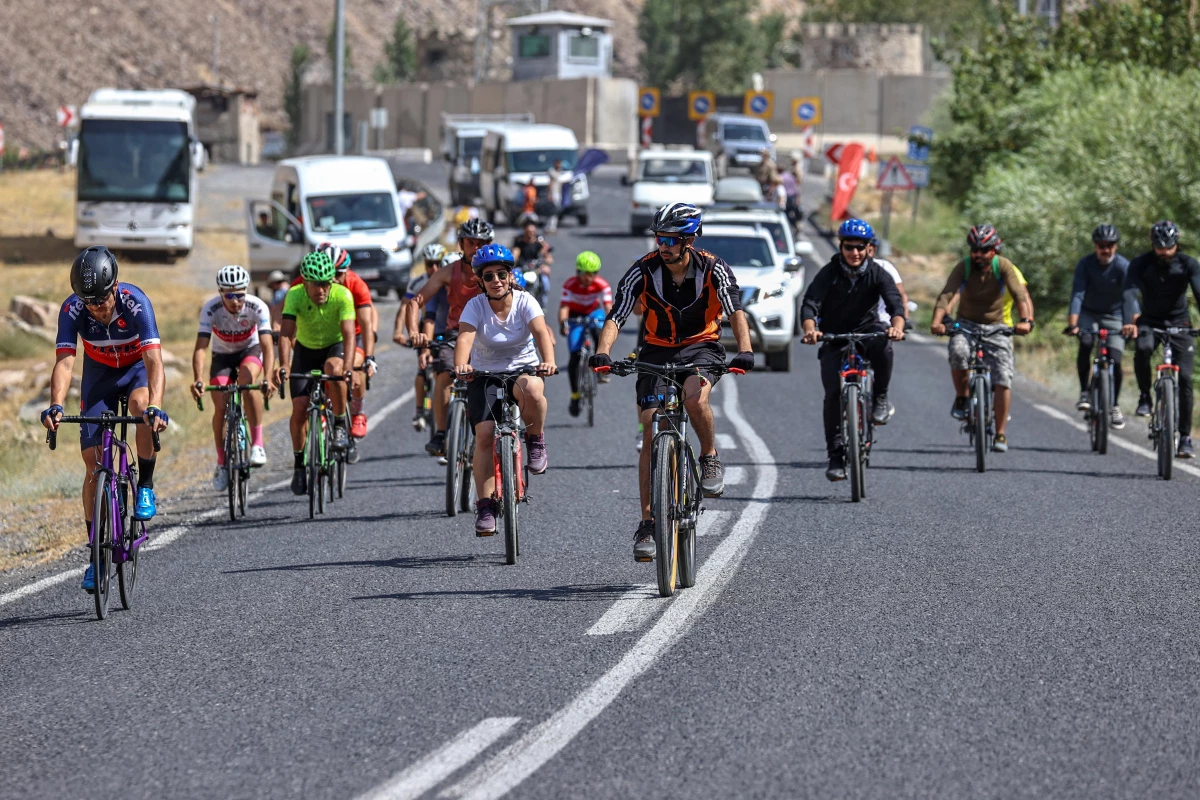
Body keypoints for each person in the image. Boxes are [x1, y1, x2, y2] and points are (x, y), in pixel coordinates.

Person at [589, 203, 753, 562]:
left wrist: (745, 349)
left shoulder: (713, 268)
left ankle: (709, 456)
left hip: (701, 347)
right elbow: (617, 313)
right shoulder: (643, 271)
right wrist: (603, 352)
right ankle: (648, 521)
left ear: (689, 240)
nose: (663, 246)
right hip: (656, 350)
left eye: (671, 240)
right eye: (659, 238)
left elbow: (735, 308)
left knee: (694, 400)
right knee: (650, 425)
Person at [42, 247, 169, 593]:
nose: (96, 308)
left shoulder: (137, 303)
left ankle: (144, 485)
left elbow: (155, 362)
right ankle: (96, 555)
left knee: (142, 408)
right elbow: (66, 362)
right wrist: (55, 404)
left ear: (115, 286)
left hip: (136, 371)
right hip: (99, 375)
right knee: (93, 463)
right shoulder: (72, 309)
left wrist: (156, 407)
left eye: (101, 299)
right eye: (89, 301)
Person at [454, 244, 558, 534]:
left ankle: (535, 440)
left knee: (533, 389)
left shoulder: (526, 301)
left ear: (511, 276)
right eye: (489, 276)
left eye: (502, 274)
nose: (496, 280)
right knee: (485, 435)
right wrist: (462, 364)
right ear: (480, 281)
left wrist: (548, 361)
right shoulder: (475, 306)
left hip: (521, 369)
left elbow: (540, 332)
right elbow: (465, 339)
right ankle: (486, 506)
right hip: (484, 373)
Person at [801, 220, 906, 481]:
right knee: (833, 394)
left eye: (861, 247)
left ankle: (880, 397)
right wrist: (811, 329)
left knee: (884, 345)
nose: (855, 253)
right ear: (842, 246)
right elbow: (810, 304)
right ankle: (835, 456)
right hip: (834, 336)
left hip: (867, 331)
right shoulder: (829, 271)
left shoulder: (878, 273)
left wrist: (897, 327)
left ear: (869, 248)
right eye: (849, 247)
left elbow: (896, 304)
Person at [930, 224, 1033, 453]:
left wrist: (1026, 320)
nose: (979, 255)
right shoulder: (964, 267)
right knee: (958, 352)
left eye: (984, 250)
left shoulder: (1003, 266)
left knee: (1003, 376)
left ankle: (1000, 433)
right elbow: (947, 294)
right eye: (975, 250)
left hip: (997, 326)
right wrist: (937, 321)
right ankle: (962, 396)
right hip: (966, 322)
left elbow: (1019, 294)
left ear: (994, 250)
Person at [405, 218, 494, 458]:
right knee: (444, 371)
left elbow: (521, 299)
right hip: (457, 333)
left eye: (481, 243)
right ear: (461, 244)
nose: (475, 248)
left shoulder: (497, 273)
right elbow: (416, 302)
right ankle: (442, 433)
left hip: (492, 335)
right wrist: (415, 332)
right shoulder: (448, 272)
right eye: (470, 242)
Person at [276, 251, 357, 495]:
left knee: (335, 370)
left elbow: (350, 335)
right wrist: (283, 365)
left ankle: (341, 424)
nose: (320, 290)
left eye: (325, 284)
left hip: (335, 346)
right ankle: (300, 465)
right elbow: (286, 333)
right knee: (300, 408)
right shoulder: (295, 295)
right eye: (315, 284)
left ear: (332, 281)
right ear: (305, 282)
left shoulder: (343, 295)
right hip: (306, 350)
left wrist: (350, 367)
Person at [190, 265, 276, 489]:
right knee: (220, 403)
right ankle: (221, 463)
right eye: (229, 295)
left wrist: (267, 376)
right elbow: (201, 347)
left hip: (251, 350)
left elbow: (267, 346)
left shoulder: (257, 306)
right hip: (222, 355)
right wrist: (198, 378)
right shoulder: (211, 309)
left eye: (240, 294)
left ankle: (257, 444)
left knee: (247, 383)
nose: (236, 301)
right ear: (220, 293)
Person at [1122, 220, 1200, 458]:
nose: (1164, 251)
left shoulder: (1188, 264)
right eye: (1159, 247)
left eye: (1169, 246)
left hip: (1180, 323)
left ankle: (1185, 437)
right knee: (1143, 349)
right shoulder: (1141, 264)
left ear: (1177, 243)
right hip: (1150, 320)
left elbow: (1199, 291)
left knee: (1186, 378)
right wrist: (1128, 320)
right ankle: (1145, 395)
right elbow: (1128, 292)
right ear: (1152, 244)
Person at [288, 244, 377, 448]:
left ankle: (357, 412)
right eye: (330, 273)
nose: (333, 279)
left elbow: (366, 325)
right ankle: (324, 407)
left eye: (338, 274)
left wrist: (369, 358)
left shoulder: (356, 285)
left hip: (352, 335)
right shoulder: (305, 283)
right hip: (321, 337)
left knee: (354, 368)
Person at [1065, 224, 1129, 428]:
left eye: (1110, 245)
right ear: (1095, 246)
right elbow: (1078, 294)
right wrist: (1073, 324)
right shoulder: (1086, 264)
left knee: (1116, 360)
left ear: (1116, 246)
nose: (1105, 249)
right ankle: (1085, 391)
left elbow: (1129, 297)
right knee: (1085, 341)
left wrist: (1130, 323)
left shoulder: (1122, 266)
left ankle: (1114, 406)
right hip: (1088, 313)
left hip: (1115, 315)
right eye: (1101, 245)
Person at [399, 243, 449, 432]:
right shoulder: (423, 285)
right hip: (431, 331)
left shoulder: (463, 285)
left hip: (459, 332)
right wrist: (423, 346)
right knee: (425, 370)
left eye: (438, 264)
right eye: (429, 264)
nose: (434, 269)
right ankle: (420, 411)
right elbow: (419, 314)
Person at [559, 250, 613, 416]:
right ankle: (575, 395)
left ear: (596, 274)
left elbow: (608, 307)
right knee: (575, 354)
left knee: (599, 330)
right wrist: (563, 323)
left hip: (593, 313)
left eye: (590, 274)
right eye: (583, 273)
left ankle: (601, 364)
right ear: (578, 272)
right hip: (575, 315)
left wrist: (611, 325)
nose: (586, 278)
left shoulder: (602, 285)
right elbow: (564, 308)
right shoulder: (570, 285)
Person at [512, 215, 553, 302]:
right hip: (522, 267)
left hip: (536, 268)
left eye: (532, 231)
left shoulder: (539, 241)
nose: (530, 234)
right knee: (514, 282)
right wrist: (512, 261)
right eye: (528, 231)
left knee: (545, 281)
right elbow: (515, 253)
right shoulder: (519, 241)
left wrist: (545, 260)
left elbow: (547, 256)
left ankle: (543, 303)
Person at [546, 159, 566, 233]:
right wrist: (549, 194)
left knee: (556, 211)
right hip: (553, 193)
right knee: (553, 211)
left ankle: (553, 227)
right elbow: (550, 183)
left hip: (558, 193)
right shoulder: (552, 171)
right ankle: (549, 227)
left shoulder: (560, 172)